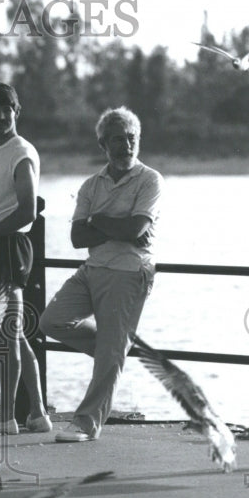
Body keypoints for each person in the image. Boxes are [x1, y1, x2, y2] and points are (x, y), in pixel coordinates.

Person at [40, 106, 163, 442]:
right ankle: (114, 350)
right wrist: (118, 227)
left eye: (132, 138)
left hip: (128, 271)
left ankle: (86, 423)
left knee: (110, 352)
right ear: (103, 146)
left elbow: (137, 228)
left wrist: (98, 221)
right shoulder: (91, 185)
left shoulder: (150, 179)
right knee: (50, 321)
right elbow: (78, 238)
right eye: (118, 139)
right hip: (93, 268)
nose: (126, 145)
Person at [0, 83, 52, 436]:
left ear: (17, 111)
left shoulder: (20, 151)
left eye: (7, 110)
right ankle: (37, 414)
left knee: (9, 336)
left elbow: (27, 211)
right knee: (16, 335)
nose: (0, 116)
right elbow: (5, 204)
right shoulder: (0, 151)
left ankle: (6, 417)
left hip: (12, 247)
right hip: (1, 246)